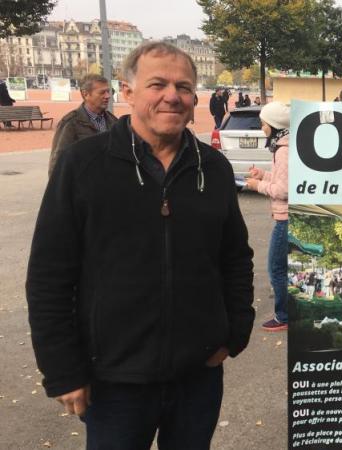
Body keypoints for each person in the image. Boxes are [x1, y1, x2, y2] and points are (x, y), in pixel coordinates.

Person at [26, 41, 255, 450]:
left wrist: (234, 333)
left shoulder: (213, 168)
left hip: (197, 375)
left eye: (184, 86)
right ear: (128, 92)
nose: (173, 96)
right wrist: (62, 370)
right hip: (113, 381)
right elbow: (49, 275)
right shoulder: (83, 165)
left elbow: (235, 258)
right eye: (158, 84)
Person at [245, 101, 291, 332]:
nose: (261, 127)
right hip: (287, 217)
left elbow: (283, 190)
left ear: (273, 126)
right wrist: (262, 175)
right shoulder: (285, 145)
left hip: (285, 218)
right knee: (283, 267)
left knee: (276, 268)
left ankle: (283, 316)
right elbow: (283, 179)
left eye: (263, 123)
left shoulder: (284, 150)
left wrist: (257, 185)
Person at [49, 74, 117, 176]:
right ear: (85, 94)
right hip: (82, 188)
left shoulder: (113, 121)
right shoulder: (71, 123)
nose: (108, 96)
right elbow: (58, 162)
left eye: (109, 91)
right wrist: (58, 190)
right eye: (102, 92)